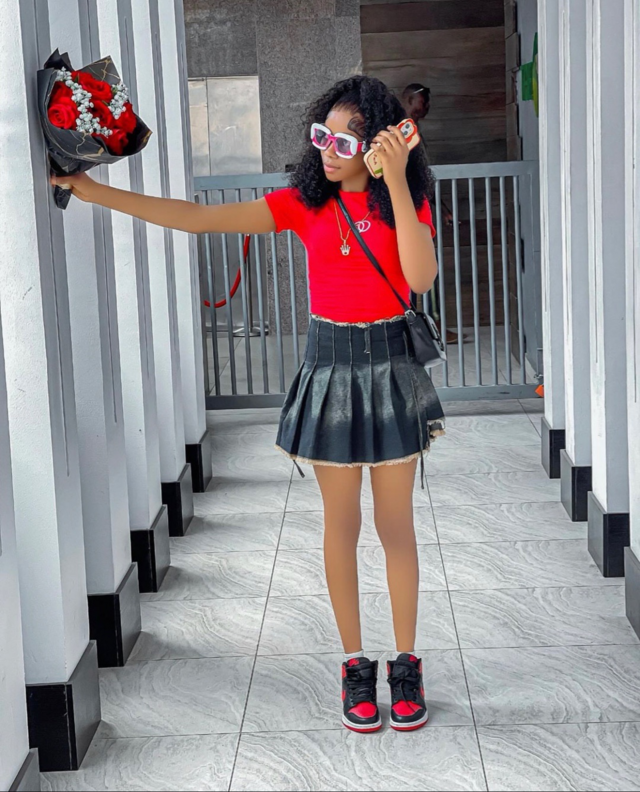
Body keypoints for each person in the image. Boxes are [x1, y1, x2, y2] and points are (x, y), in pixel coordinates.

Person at [51, 75, 446, 735]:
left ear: (378, 145)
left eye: (343, 141)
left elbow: (421, 276)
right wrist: (94, 191)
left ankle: (406, 663)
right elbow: (199, 219)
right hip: (331, 369)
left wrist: (399, 182)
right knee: (341, 524)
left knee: (395, 526)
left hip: (390, 368)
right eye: (321, 136)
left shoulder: (408, 200)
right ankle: (355, 663)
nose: (327, 150)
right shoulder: (303, 205)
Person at [402, 83, 464, 345]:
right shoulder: (402, 131)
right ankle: (432, 326)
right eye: (423, 101)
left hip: (417, 207)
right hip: (409, 210)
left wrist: (443, 209)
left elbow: (424, 178)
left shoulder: (412, 130)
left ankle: (424, 327)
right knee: (424, 268)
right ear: (410, 100)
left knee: (419, 268)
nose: (426, 107)